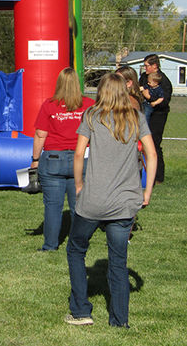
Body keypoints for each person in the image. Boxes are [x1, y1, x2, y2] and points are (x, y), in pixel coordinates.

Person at [66, 72, 157, 328]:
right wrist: (146, 190)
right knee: (118, 262)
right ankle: (119, 321)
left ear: (102, 92)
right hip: (124, 203)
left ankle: (81, 311)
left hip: (93, 200)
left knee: (75, 249)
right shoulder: (136, 118)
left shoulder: (92, 117)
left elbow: (77, 154)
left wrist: (79, 184)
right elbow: (152, 154)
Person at [31, 67, 95, 251]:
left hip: (53, 159)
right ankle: (78, 244)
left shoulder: (49, 105)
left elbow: (40, 134)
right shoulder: (89, 104)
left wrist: (35, 159)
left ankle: (50, 245)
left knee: (53, 205)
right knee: (79, 205)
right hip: (81, 158)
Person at [138, 54, 171, 183]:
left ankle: (158, 177)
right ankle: (143, 173)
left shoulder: (164, 82)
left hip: (158, 115)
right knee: (142, 144)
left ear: (155, 66)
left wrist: (149, 98)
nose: (145, 68)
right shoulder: (144, 78)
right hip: (144, 112)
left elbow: (164, 102)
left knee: (155, 143)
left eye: (147, 65)